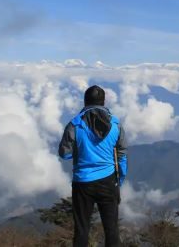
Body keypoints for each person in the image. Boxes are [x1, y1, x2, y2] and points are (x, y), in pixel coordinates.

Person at [58, 85, 127, 247]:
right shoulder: (116, 125)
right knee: (111, 229)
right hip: (108, 181)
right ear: (103, 102)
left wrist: (79, 150)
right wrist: (120, 179)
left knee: (82, 229)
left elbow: (64, 153)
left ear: (85, 101)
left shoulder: (75, 125)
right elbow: (122, 154)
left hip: (82, 183)